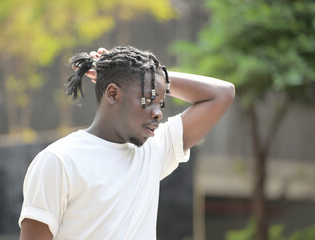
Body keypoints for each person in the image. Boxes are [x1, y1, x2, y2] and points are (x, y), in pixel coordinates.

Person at [18, 46, 235, 240]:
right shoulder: (59, 161)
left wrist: (155, 77)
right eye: (149, 100)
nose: (158, 113)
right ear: (113, 94)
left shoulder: (153, 150)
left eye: (161, 103)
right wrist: (135, 75)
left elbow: (222, 94)